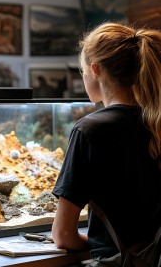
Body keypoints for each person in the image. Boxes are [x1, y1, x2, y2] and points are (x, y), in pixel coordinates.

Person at [51, 22, 161, 263]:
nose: (83, 77)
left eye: (82, 71)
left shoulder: (90, 129)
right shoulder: (155, 122)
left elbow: (63, 236)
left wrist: (98, 243)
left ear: (96, 70)